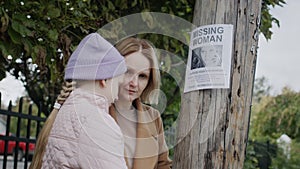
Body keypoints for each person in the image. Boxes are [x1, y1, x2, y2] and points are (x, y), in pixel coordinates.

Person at [47, 37, 172, 169]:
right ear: (111, 71)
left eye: (142, 76)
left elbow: (163, 164)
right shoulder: (91, 114)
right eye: (127, 71)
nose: (134, 83)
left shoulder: (153, 117)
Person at [29, 33, 128, 169]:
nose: (117, 96)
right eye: (118, 84)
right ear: (104, 79)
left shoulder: (65, 112)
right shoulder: (96, 122)